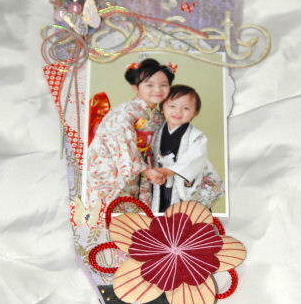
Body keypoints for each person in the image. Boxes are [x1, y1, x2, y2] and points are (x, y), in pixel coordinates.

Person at [86, 58, 175, 210]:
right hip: (115, 166)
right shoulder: (124, 112)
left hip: (142, 167)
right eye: (149, 85)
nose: (158, 89)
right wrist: (145, 170)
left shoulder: (159, 116)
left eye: (164, 85)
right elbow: (122, 143)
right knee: (113, 211)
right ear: (136, 87)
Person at [151, 85, 224, 213]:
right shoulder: (155, 132)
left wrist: (169, 171)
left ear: (195, 112)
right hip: (160, 179)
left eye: (186, 108)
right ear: (162, 107)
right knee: (160, 208)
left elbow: (194, 157)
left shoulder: (197, 137)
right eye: (172, 106)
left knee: (187, 214)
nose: (178, 112)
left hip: (181, 182)